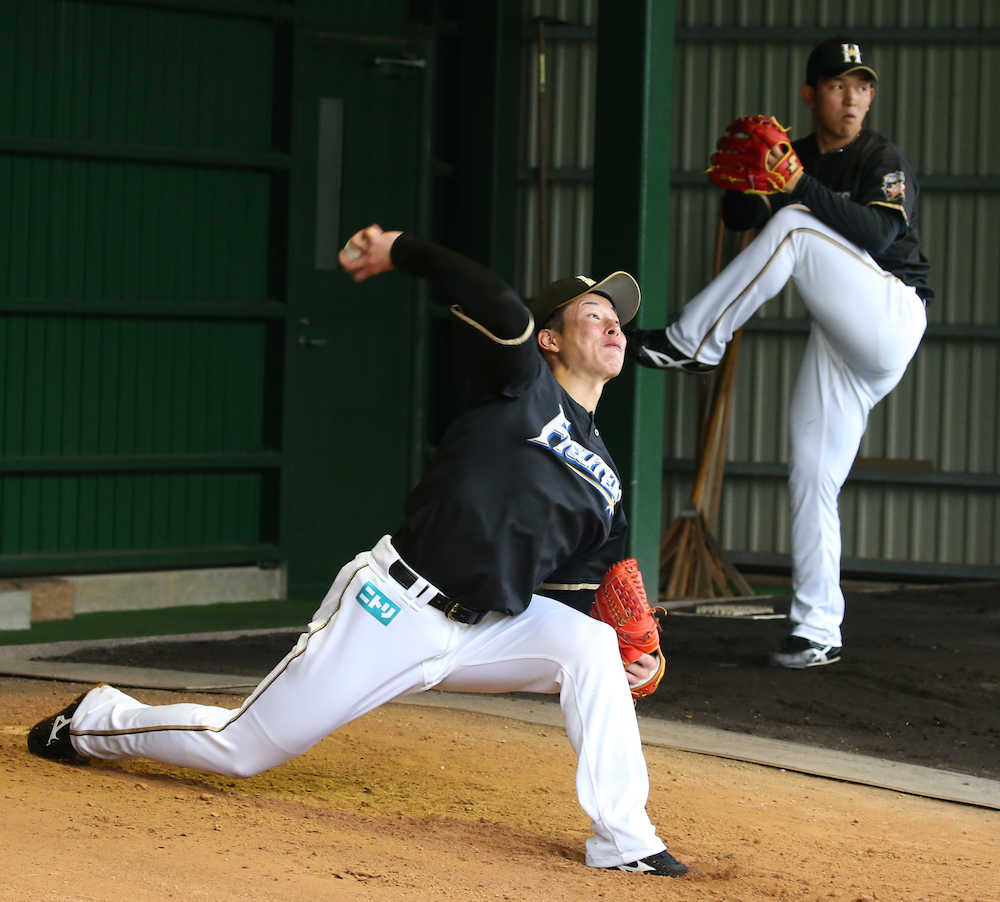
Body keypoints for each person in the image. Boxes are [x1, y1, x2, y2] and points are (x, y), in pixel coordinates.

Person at [27, 225, 690, 878]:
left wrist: (636, 651)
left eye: (618, 323)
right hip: (393, 606)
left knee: (591, 648)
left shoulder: (602, 475)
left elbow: (587, 582)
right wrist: (402, 251)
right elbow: (496, 302)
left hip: (488, 629)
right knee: (243, 748)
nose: (614, 330)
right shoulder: (522, 385)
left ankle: (624, 840)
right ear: (549, 338)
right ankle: (94, 721)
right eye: (593, 316)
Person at [628, 36, 932, 669]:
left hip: (891, 311)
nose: (852, 97)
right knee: (812, 476)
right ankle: (818, 629)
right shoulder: (797, 155)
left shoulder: (880, 156)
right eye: (837, 84)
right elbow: (744, 216)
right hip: (839, 339)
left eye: (862, 85)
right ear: (810, 93)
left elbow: (879, 233)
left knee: (795, 227)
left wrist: (795, 187)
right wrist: (742, 187)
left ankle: (690, 343)